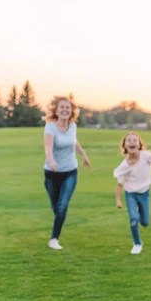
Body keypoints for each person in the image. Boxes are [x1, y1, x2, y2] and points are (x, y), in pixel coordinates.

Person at [43, 96, 91, 250]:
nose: (65, 110)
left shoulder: (73, 126)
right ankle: (59, 223)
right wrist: (51, 161)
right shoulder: (50, 127)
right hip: (52, 173)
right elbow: (48, 147)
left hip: (70, 171)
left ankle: (54, 239)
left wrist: (83, 155)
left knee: (63, 206)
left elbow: (74, 141)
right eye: (61, 107)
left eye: (67, 107)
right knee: (56, 207)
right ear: (56, 110)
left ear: (71, 111)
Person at [114, 132, 151, 255]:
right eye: (129, 141)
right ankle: (137, 243)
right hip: (130, 194)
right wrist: (118, 200)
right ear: (125, 146)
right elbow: (119, 185)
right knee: (133, 218)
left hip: (144, 193)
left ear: (139, 145)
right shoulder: (124, 166)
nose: (132, 142)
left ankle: (141, 218)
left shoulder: (147, 156)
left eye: (134, 140)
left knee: (145, 222)